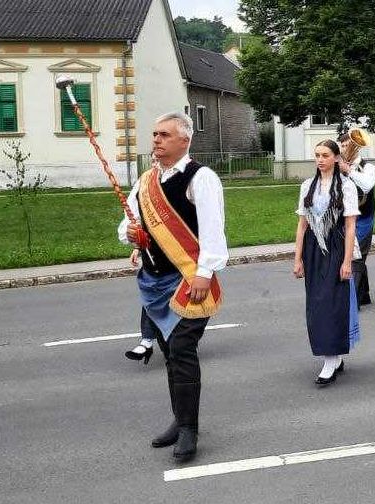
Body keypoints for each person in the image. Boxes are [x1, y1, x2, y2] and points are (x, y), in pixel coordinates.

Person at [120, 112, 228, 464]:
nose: (156, 140)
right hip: (154, 281)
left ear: (185, 140)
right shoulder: (145, 182)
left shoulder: (202, 178)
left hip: (189, 280)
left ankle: (189, 430)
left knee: (182, 349)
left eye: (164, 134)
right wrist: (132, 236)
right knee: (169, 352)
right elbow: (127, 225)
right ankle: (180, 419)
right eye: (154, 134)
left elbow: (213, 229)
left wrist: (204, 273)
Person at [295, 139, 361, 387]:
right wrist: (297, 258)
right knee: (316, 304)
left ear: (336, 158)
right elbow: (302, 226)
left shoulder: (346, 186)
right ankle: (330, 355)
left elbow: (351, 226)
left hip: (335, 246)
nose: (320, 160)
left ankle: (331, 359)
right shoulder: (306, 186)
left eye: (325, 155)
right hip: (313, 248)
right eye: (317, 155)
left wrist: (346, 262)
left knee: (332, 303)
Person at [340, 133, 375, 306]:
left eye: (349, 144)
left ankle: (353, 299)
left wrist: (349, 171)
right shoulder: (337, 167)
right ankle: (364, 295)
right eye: (343, 146)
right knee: (354, 256)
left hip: (363, 216)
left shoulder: (368, 167)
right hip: (345, 218)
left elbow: (367, 185)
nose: (346, 148)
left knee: (357, 257)